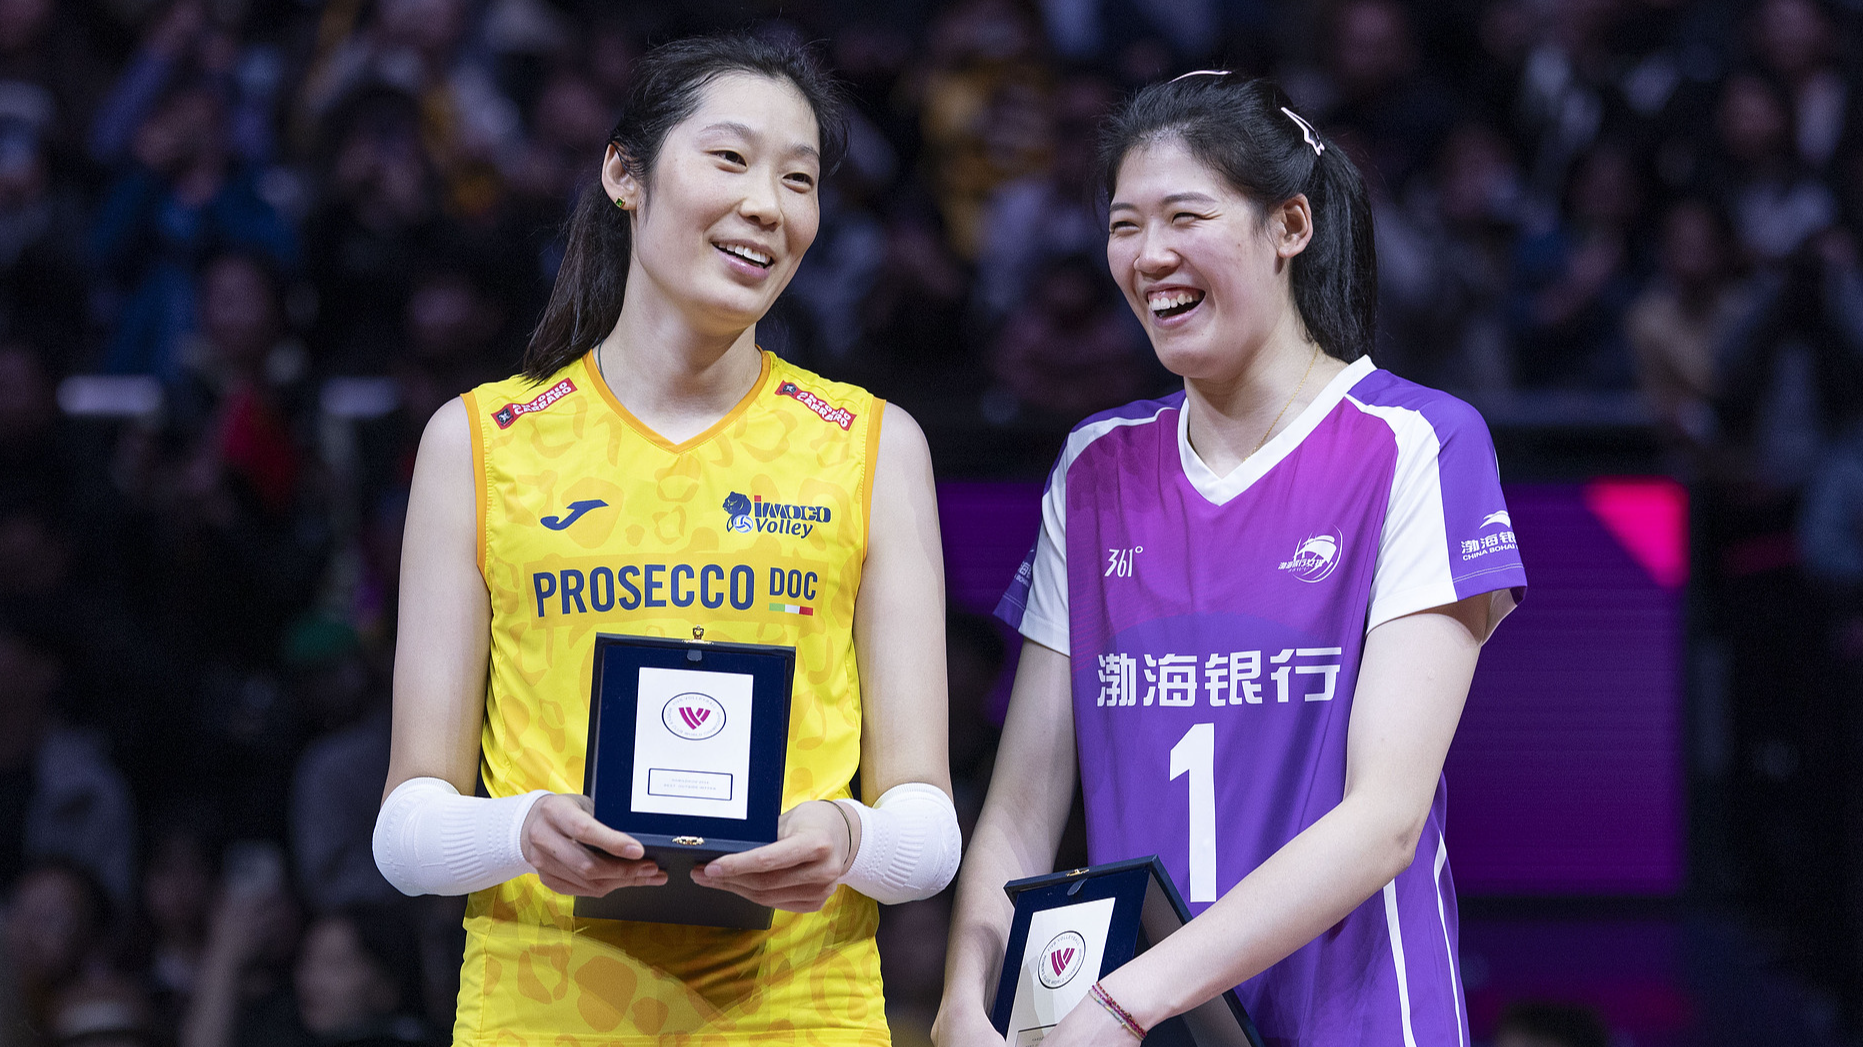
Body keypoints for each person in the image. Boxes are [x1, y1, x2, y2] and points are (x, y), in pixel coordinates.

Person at [369, 35, 960, 1044]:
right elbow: (406, 828)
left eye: (800, 179)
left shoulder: (871, 446)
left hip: (799, 1011)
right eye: (729, 160)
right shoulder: (478, 442)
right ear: (623, 172)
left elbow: (930, 832)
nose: (769, 206)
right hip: (543, 1012)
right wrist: (520, 830)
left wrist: (847, 834)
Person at [936, 73, 1527, 1046]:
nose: (1149, 254)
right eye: (1126, 225)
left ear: (1289, 225)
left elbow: (1383, 820)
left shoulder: (1417, 442)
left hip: (1354, 1020)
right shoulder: (1094, 466)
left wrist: (1126, 1000)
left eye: (1186, 216)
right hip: (1141, 1028)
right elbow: (1023, 803)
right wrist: (972, 987)